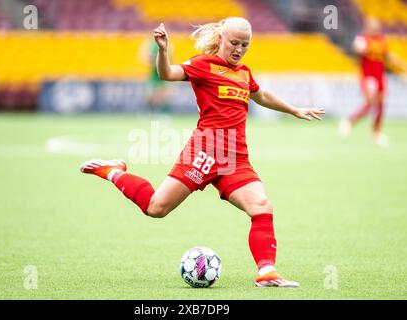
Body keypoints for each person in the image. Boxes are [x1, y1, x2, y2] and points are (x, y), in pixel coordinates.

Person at [80, 17, 324, 287]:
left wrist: (294, 110)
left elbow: (261, 95)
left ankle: (266, 272)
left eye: (245, 44)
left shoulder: (243, 72)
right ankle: (113, 171)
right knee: (156, 208)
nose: (239, 49)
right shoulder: (203, 65)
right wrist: (162, 51)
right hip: (203, 152)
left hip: (235, 159)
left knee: (261, 206)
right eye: (234, 42)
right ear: (221, 39)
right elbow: (167, 75)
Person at [339, 17, 405, 146]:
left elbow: (386, 55)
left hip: (380, 75)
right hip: (368, 76)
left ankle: (376, 133)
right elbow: (357, 49)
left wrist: (400, 63)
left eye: (376, 26)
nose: (375, 28)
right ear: (367, 26)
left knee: (381, 104)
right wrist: (361, 47)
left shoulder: (381, 39)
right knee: (370, 103)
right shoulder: (362, 38)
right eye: (373, 25)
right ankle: (349, 122)